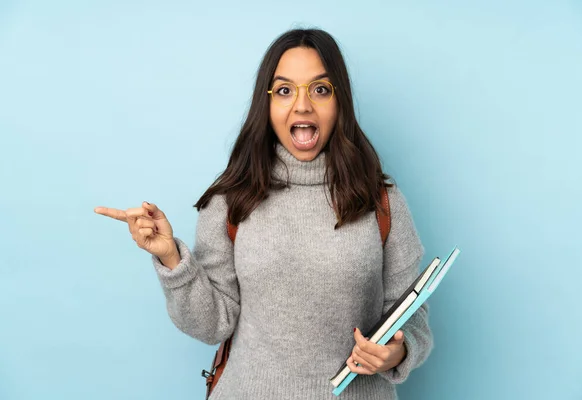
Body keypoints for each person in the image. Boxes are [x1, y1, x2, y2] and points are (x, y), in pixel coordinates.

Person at [94, 28, 433, 400]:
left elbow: (412, 317)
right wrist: (171, 259)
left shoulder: (381, 201)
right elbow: (213, 324)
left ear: (340, 101)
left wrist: (396, 352)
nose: (302, 106)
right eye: (285, 91)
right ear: (266, 104)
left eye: (320, 89)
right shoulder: (231, 199)